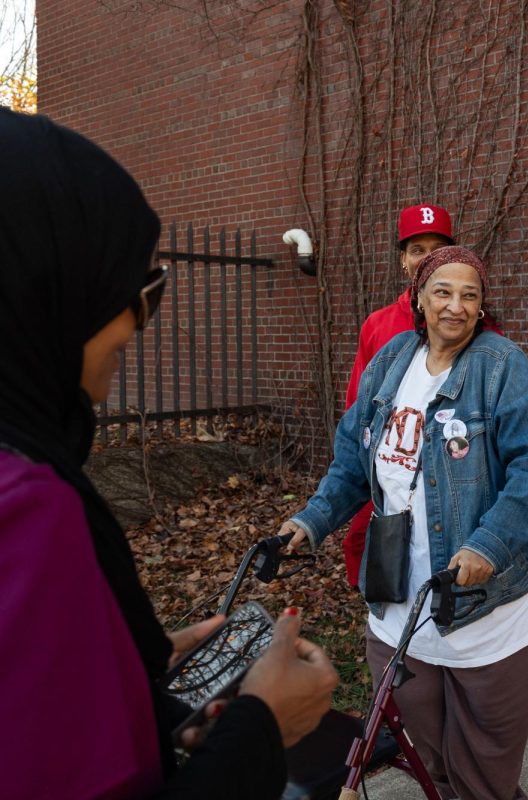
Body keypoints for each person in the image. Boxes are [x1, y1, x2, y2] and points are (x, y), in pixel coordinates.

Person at [0, 109, 338, 799]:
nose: (141, 319)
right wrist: (262, 728)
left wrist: (125, 675)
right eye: (136, 287)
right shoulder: (24, 512)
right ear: (45, 283)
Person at [280, 245, 528, 800]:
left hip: (493, 591)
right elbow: (353, 457)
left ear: (483, 305)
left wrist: (488, 543)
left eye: (470, 295)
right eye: (442, 291)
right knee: (426, 739)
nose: (455, 306)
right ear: (419, 297)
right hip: (403, 586)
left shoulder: (500, 365)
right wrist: (312, 520)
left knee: (484, 760)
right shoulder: (393, 358)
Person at [340, 204, 455, 589]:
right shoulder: (379, 325)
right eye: (417, 249)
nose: (428, 258)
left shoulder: (475, 322)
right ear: (403, 260)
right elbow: (358, 411)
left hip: (449, 476)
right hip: (390, 472)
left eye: (437, 248)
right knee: (378, 567)